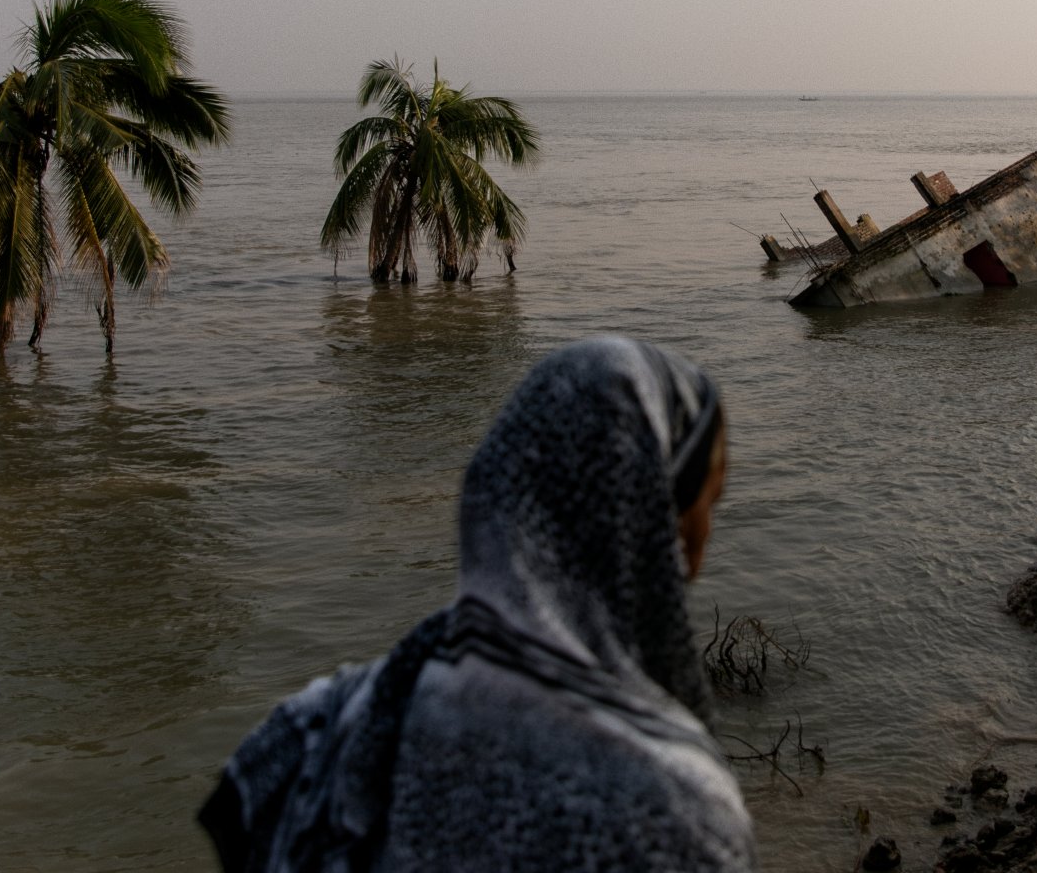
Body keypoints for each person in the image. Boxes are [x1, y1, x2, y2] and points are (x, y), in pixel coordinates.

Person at [199, 336, 755, 871]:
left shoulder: (321, 726)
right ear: (660, 527)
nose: (704, 539)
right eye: (710, 503)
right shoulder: (673, 807)